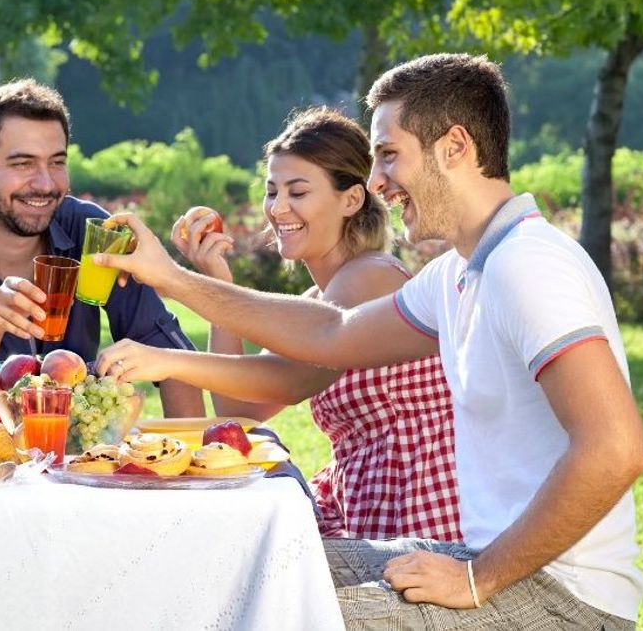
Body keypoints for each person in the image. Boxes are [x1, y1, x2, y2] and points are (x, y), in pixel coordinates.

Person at [94, 54, 643, 628]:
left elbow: (615, 449)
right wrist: (177, 279)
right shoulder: (458, 273)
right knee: (241, 571)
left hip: (563, 598)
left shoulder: (527, 265)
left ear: (454, 147)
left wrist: (477, 579)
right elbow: (332, 333)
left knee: (281, 614)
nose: (377, 181)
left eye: (388, 154)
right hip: (491, 562)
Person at [107, 107, 460, 542]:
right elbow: (239, 414)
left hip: (420, 513)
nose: (278, 208)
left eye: (297, 192)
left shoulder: (372, 276)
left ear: (351, 199)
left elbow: (289, 382)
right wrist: (220, 283)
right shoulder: (320, 300)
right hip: (366, 504)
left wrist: (165, 360)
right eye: (272, 192)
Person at [0, 79, 204, 416]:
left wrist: (187, 459)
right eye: (23, 164)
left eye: (57, 162)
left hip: (75, 461)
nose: (46, 184)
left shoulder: (91, 233)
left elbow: (174, 361)